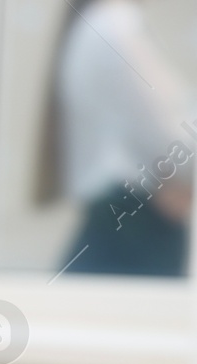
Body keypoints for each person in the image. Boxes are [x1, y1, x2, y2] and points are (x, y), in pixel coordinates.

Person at [42, 0, 192, 277]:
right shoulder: (116, 26)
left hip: (122, 218)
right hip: (133, 221)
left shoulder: (101, 24)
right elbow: (174, 139)